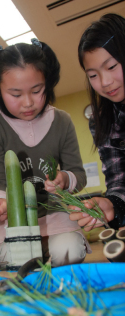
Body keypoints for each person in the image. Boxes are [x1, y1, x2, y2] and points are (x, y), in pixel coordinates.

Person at [0, 39, 90, 268]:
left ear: (47, 83)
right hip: (13, 218)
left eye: (37, 91)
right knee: (15, 263)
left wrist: (65, 179)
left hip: (55, 214)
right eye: (16, 94)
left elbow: (78, 173)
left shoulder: (62, 121)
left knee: (69, 253)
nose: (28, 103)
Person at [70, 13, 125, 232]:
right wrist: (112, 203)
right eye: (93, 75)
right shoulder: (102, 121)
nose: (105, 82)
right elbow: (119, 178)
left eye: (111, 67)